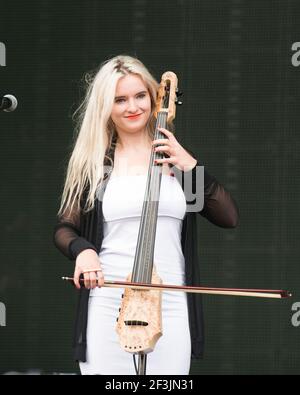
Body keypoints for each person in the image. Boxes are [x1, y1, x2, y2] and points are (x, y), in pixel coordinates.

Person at [53, 54, 239, 375]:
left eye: (140, 96)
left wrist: (189, 165)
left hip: (171, 303)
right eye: (120, 99)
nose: (133, 106)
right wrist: (82, 250)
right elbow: (65, 228)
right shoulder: (98, 166)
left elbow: (227, 216)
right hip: (110, 301)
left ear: (154, 98)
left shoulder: (175, 162)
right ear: (106, 108)